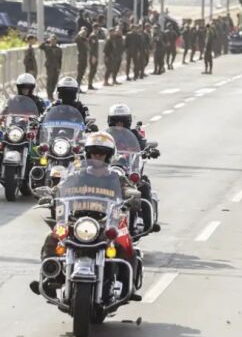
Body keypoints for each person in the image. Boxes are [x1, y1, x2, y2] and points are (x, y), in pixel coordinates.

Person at [29, 132, 142, 300]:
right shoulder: (76, 175)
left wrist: (133, 196)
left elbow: (128, 190)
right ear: (88, 154)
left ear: (108, 156)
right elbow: (60, 188)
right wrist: (50, 194)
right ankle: (49, 278)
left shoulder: (116, 178)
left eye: (101, 153)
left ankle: (128, 285)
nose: (97, 157)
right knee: (52, 238)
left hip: (105, 222)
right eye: (94, 153)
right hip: (77, 221)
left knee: (125, 243)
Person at [107, 103, 161, 233]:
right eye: (116, 121)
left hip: (130, 170)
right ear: (111, 121)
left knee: (144, 186)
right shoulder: (106, 135)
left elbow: (142, 144)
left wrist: (149, 150)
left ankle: (148, 222)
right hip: (109, 170)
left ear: (128, 122)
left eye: (122, 122)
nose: (119, 125)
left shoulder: (134, 134)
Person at [39, 35, 62, 102]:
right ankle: (49, 95)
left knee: (54, 81)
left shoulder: (59, 49)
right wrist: (46, 41)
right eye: (52, 40)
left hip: (56, 67)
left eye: (54, 40)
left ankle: (51, 93)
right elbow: (40, 47)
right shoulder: (47, 47)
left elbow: (60, 60)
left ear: (56, 41)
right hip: (50, 66)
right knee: (50, 80)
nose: (53, 41)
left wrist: (59, 68)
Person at [87, 24, 101, 90]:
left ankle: (90, 83)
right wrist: (93, 56)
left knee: (94, 70)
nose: (97, 30)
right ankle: (89, 84)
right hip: (93, 56)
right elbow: (92, 48)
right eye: (97, 28)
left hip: (95, 56)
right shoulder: (93, 36)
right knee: (92, 70)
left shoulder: (95, 36)